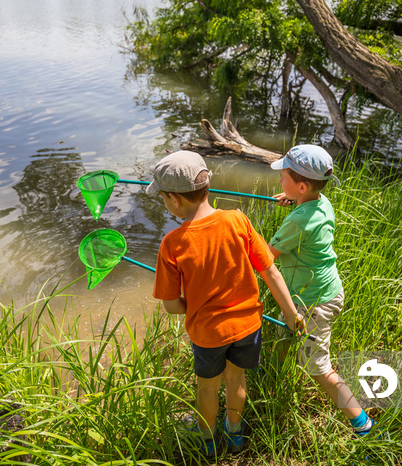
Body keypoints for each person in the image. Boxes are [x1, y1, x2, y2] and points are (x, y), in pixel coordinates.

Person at [147, 150, 305, 455]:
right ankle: (234, 434)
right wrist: (290, 313)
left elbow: (170, 305)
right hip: (248, 327)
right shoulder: (238, 220)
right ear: (207, 187)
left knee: (208, 387)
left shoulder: (172, 244)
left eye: (164, 199)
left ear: (175, 200)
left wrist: (192, 307)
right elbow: (270, 271)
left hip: (208, 335)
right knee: (237, 379)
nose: (166, 204)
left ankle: (206, 440)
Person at [268, 144, 375, 437]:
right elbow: (308, 209)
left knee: (319, 369)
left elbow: (265, 257)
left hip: (314, 302)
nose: (279, 180)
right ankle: (272, 377)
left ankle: (362, 423)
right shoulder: (319, 202)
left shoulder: (299, 221)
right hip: (317, 292)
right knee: (284, 337)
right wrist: (294, 200)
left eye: (284, 178)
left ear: (301, 186)